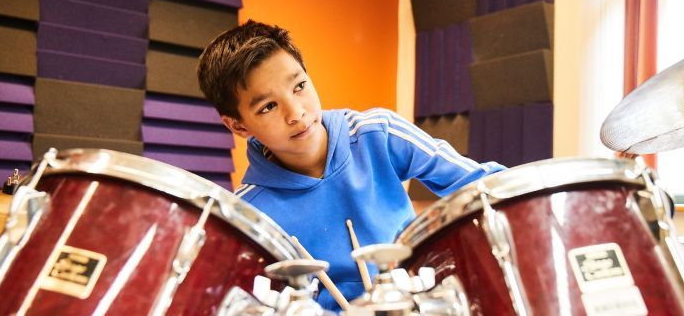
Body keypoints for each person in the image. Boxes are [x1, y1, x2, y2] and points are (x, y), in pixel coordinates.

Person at [197, 20, 505, 310]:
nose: (296, 112)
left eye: (299, 86)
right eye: (268, 106)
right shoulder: (247, 214)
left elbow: (489, 186)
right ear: (238, 126)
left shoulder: (378, 133)